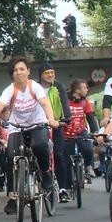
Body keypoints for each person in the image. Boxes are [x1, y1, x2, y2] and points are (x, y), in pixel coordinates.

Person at [0, 57, 59, 215]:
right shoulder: (10, 90)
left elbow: (45, 103)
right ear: (12, 74)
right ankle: (13, 197)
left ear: (28, 71)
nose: (19, 72)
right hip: (16, 126)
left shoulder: (35, 87)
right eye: (15, 70)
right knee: (10, 156)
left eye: (22, 69)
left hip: (37, 124)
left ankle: (45, 173)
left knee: (40, 145)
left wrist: (51, 119)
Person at [38, 62, 72, 203]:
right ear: (40, 75)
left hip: (56, 123)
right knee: (39, 151)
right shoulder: (35, 87)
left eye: (52, 72)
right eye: (47, 73)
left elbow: (64, 102)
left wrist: (67, 118)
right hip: (39, 123)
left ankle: (63, 189)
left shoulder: (58, 86)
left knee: (58, 154)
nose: (50, 75)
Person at [62, 79, 99, 191]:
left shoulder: (85, 102)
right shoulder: (65, 101)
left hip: (80, 131)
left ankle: (88, 165)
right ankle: (67, 187)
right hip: (67, 133)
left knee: (88, 148)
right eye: (84, 88)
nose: (87, 90)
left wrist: (95, 132)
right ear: (77, 90)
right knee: (67, 160)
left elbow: (90, 117)